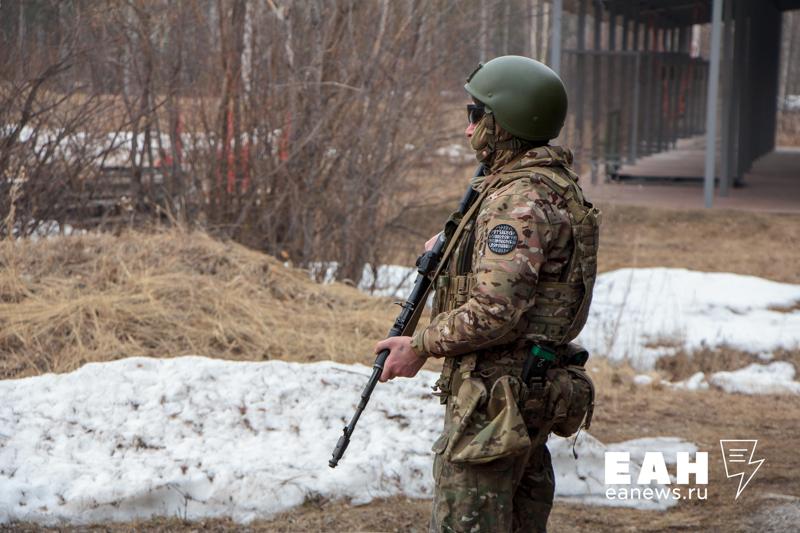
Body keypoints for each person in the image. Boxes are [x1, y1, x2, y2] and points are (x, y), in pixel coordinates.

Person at [375, 55, 600, 533]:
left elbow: (494, 311)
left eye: (476, 115)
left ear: (503, 123)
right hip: (526, 391)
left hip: (495, 404)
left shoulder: (516, 202)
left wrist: (419, 346)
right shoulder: (548, 185)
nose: (468, 127)